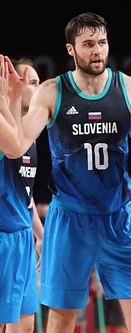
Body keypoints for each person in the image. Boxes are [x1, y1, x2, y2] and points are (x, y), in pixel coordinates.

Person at [18, 12, 131, 333]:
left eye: (102, 42)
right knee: (62, 320)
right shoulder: (51, 91)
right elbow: (19, 142)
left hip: (117, 217)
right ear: (71, 50)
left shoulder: (129, 86)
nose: (97, 50)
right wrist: (8, 103)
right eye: (88, 44)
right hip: (70, 218)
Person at [0, 56, 42, 332]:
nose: (38, 89)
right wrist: (10, 100)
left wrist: (40, 233)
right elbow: (13, 148)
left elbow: (25, 193)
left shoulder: (31, 135)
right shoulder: (7, 128)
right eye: (32, 82)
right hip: (4, 237)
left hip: (23, 237)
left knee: (25, 325)